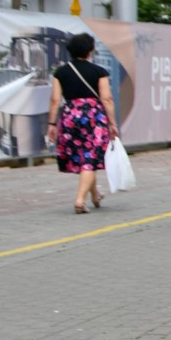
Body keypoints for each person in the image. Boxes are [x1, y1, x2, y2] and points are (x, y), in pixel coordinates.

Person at [46, 31, 117, 214]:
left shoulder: (60, 73)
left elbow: (55, 100)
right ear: (90, 50)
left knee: (84, 157)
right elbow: (107, 99)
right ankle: (79, 200)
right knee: (90, 159)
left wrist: (52, 124)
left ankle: (95, 194)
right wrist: (112, 123)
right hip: (93, 116)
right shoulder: (99, 72)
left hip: (70, 116)